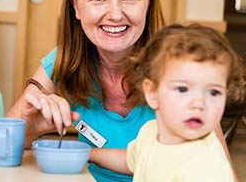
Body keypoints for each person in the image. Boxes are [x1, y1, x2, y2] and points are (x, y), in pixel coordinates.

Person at [7, 0, 235, 181]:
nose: (115, 14)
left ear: (148, 2)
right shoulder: (66, 61)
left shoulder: (178, 67)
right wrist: (29, 127)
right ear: (76, 7)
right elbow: (1, 143)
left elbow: (223, 170)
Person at [89, 24, 245, 181]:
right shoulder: (149, 132)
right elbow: (131, 160)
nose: (199, 104)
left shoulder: (205, 166)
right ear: (152, 93)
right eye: (183, 89)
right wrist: (91, 154)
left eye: (214, 92)